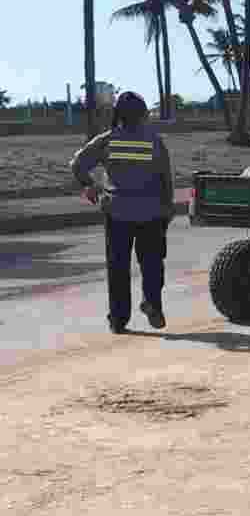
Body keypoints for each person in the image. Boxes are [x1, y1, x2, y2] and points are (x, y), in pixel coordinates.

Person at [70, 91, 174, 334]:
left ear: (118, 114)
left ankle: (118, 319)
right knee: (152, 263)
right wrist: (167, 209)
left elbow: (77, 163)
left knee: (118, 267)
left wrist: (89, 185)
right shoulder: (154, 141)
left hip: (117, 212)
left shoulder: (108, 140)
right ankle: (152, 303)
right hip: (152, 212)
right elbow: (165, 180)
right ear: (144, 114)